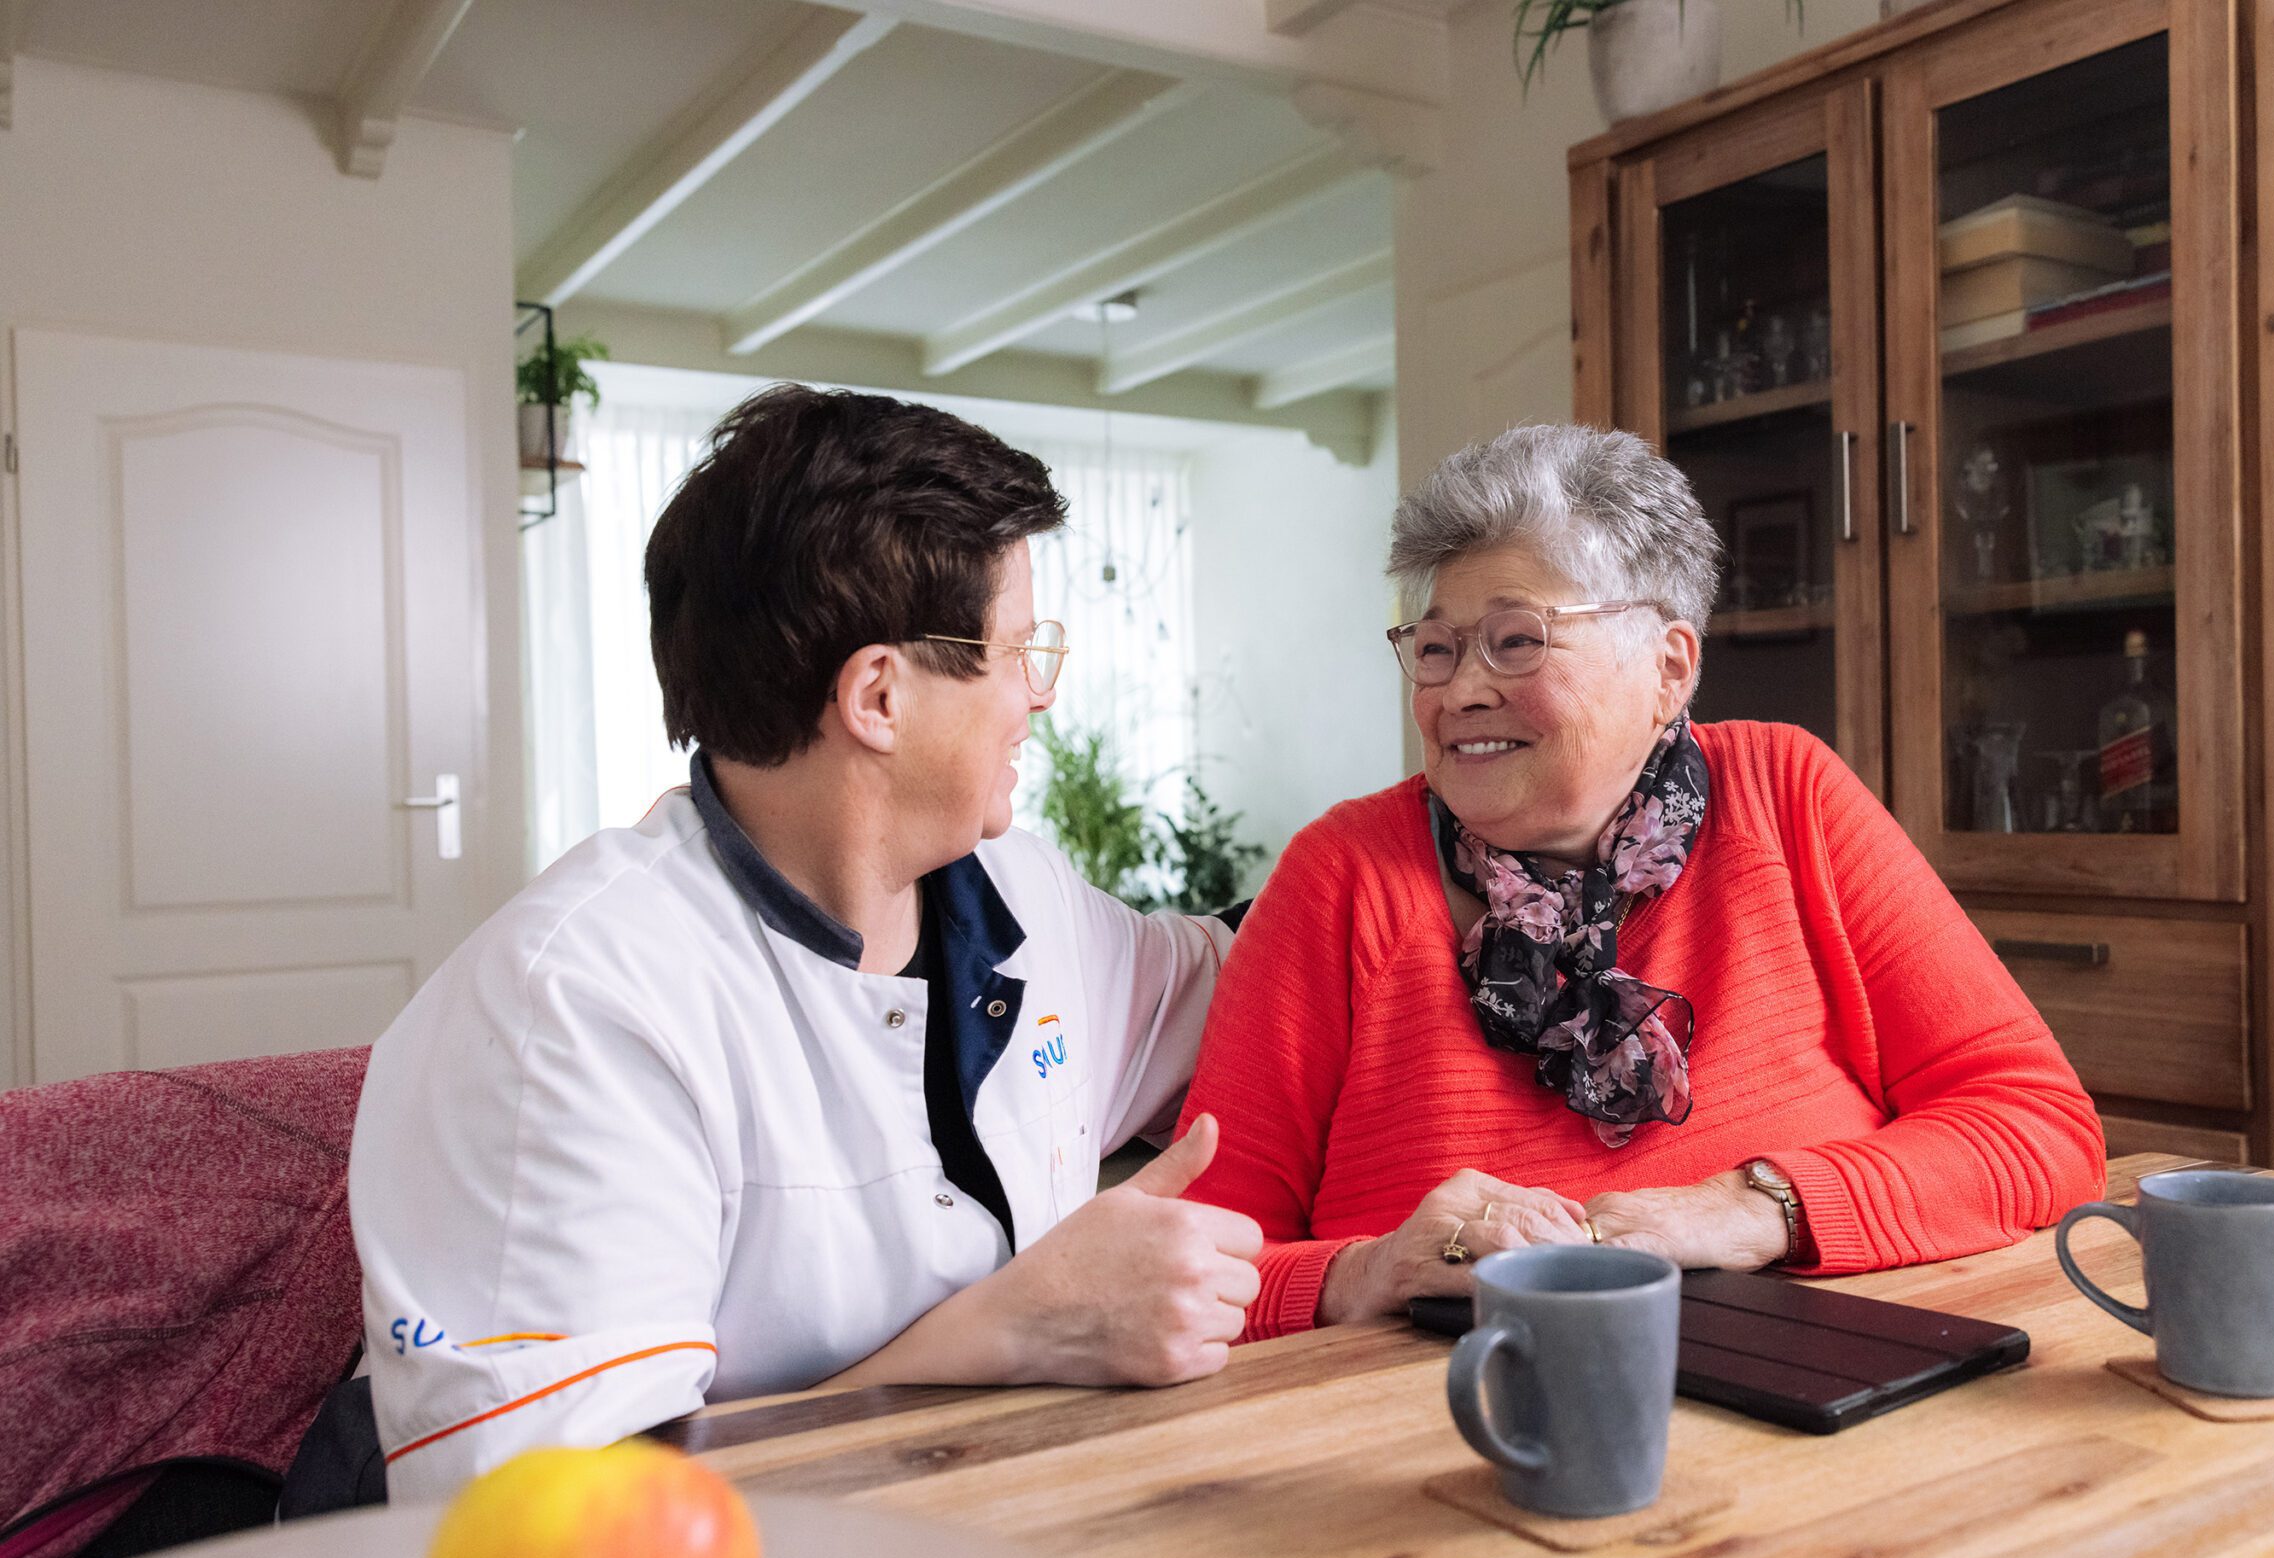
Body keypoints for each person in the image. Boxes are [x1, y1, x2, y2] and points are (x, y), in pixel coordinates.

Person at [351, 387, 1261, 1500]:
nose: (1042, 695)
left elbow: (1265, 971)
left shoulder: (1022, 896)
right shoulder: (568, 1006)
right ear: (878, 693)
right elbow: (563, 1535)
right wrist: (1003, 1335)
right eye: (1020, 650)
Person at [1179, 423, 2104, 1338]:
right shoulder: (1341, 878)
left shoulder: (1788, 796)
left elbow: (2037, 1124)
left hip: (1817, 1372)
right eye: (1435, 648)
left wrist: (1750, 1210)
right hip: (1448, 1416)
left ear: (1667, 670)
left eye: (1515, 641)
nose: (1459, 691)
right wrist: (1369, 1271)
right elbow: (1190, 1261)